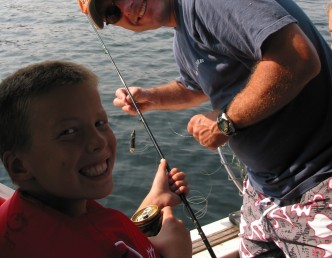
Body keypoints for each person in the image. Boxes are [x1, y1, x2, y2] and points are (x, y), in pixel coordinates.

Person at [78, 0, 332, 257]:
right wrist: (151, 98)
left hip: (319, 185)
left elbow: (297, 58)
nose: (126, 8)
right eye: (112, 12)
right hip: (265, 192)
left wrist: (225, 123)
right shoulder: (183, 36)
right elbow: (195, 88)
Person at [0, 60, 192, 258]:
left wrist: (153, 203)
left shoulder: (56, 209)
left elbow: (100, 238)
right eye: (69, 132)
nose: (98, 141)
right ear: (19, 166)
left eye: (100, 123)